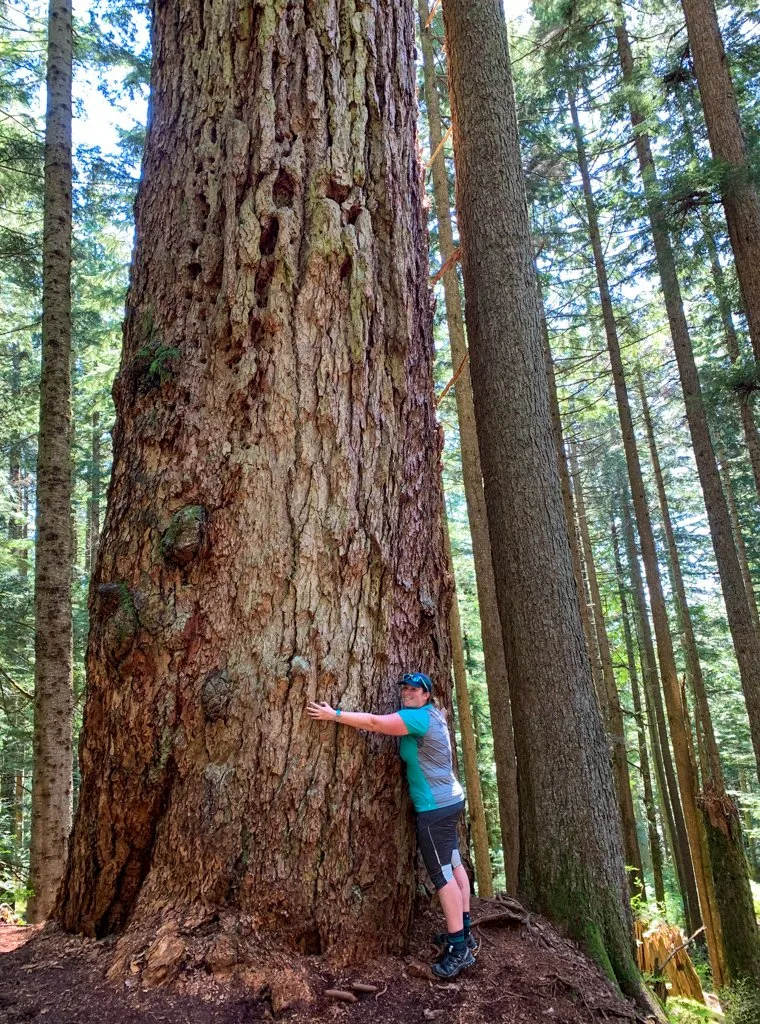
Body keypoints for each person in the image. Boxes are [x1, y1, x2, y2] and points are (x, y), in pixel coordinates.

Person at [306, 671, 477, 979]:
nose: (409, 692)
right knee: (454, 866)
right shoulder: (433, 715)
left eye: (416, 689)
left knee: (442, 877)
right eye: (406, 688)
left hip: (435, 808)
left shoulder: (418, 719)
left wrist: (335, 715)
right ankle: (464, 933)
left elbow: (375, 723)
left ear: (427, 695)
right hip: (451, 800)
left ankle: (459, 948)